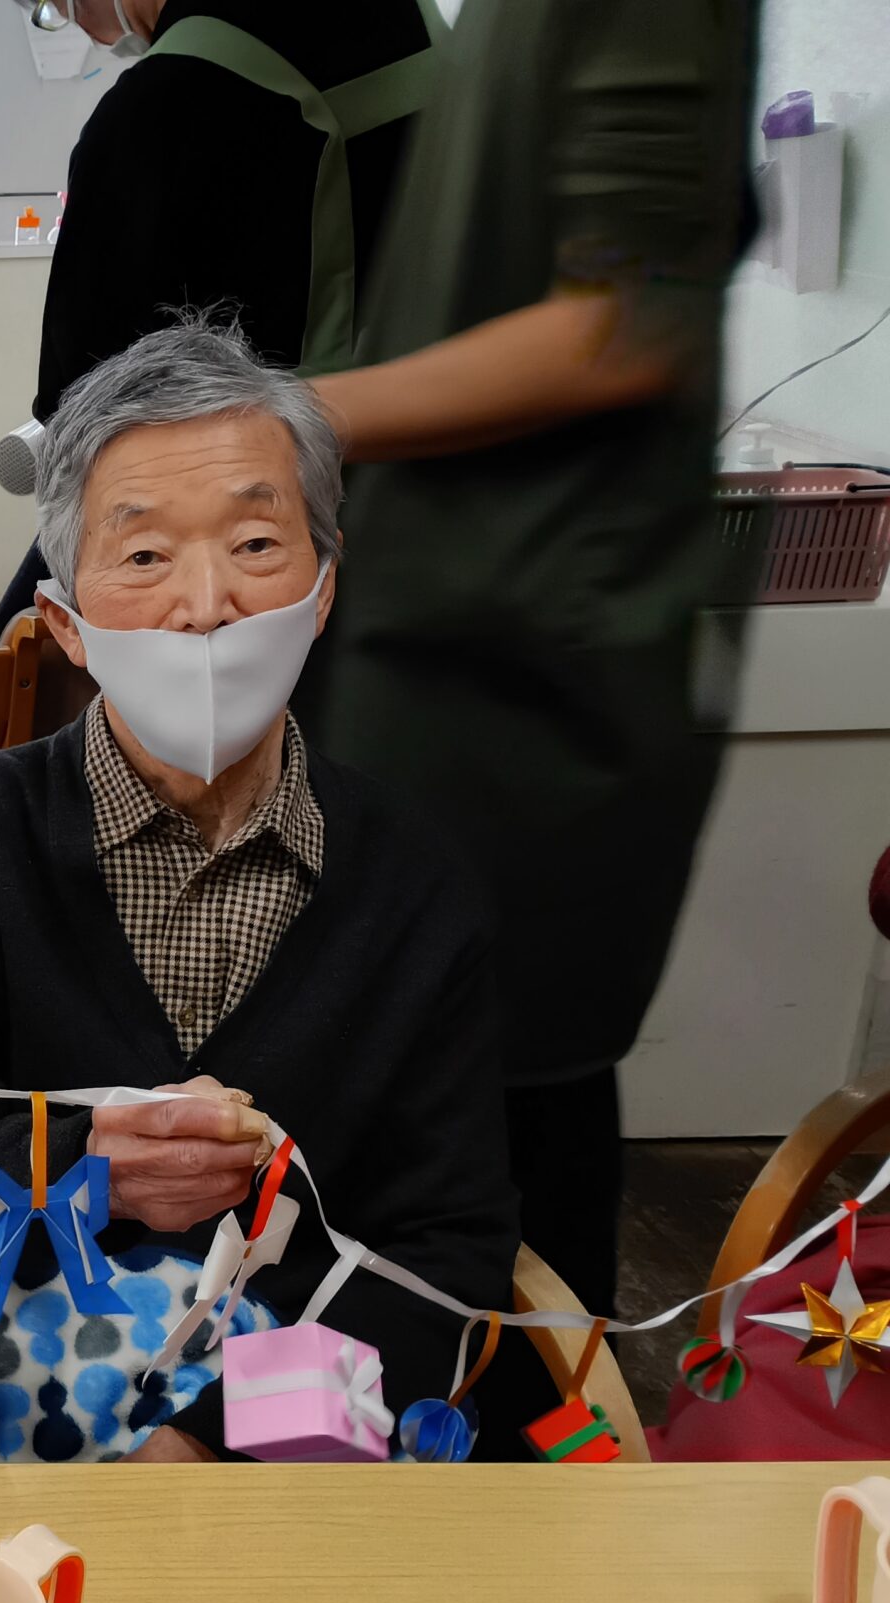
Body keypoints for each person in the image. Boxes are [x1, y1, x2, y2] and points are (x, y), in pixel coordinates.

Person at [0, 319, 523, 1463]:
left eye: (256, 542)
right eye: (145, 555)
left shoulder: (415, 878)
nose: (205, 604)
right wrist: (83, 1170)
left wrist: (212, 1441)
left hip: (307, 1434)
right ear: (66, 623)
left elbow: (445, 1247)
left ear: (323, 590)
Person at [307, 0, 760, 1315]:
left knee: (495, 1171)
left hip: (519, 695)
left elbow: (624, 322)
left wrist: (285, 412)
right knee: (411, 1130)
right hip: (443, 658)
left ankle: (539, 1440)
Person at [0, 0, 445, 676]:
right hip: (448, 510)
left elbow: (80, 416)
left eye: (50, 6)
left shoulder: (159, 107)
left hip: (286, 515)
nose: (74, 25)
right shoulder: (413, 25)